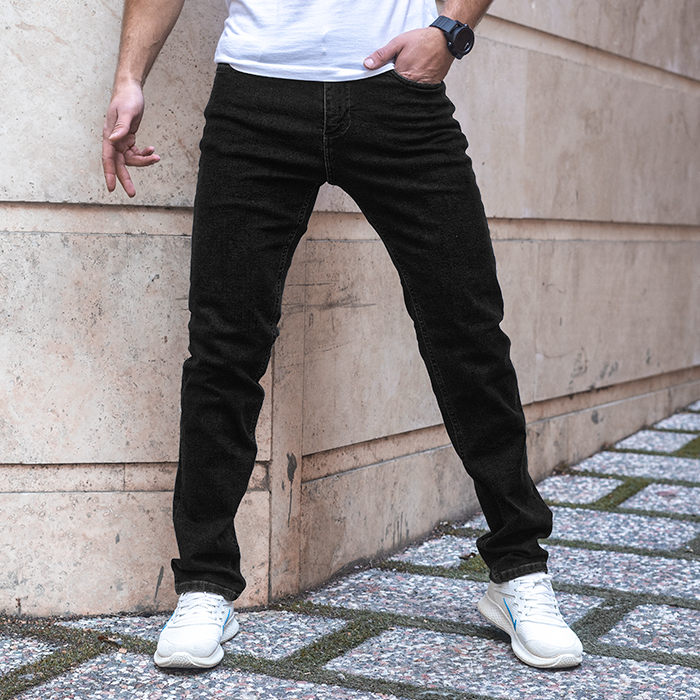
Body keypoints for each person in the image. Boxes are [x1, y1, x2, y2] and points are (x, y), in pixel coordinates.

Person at [102, 0, 583, 672]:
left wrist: (450, 31)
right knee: (224, 347)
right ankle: (204, 586)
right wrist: (130, 77)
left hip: (397, 95)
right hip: (256, 97)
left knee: (467, 332)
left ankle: (518, 570)